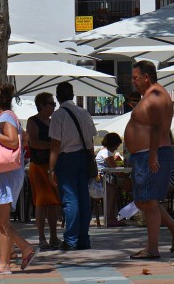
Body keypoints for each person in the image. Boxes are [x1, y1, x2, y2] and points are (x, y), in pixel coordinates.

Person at [124, 60, 174, 259]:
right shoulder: (151, 96)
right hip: (146, 154)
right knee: (143, 200)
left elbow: (157, 127)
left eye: (135, 78)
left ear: (146, 77)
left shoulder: (156, 97)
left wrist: (152, 155)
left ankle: (152, 248)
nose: (133, 82)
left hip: (151, 153)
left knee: (148, 201)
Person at [0, 84, 38, 275]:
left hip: (6, 174)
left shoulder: (5, 117)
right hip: (2, 174)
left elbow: (13, 141)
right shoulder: (7, 117)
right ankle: (24, 247)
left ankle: (4, 263)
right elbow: (23, 138)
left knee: (2, 220)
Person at [48, 81, 97, 251]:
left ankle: (70, 240)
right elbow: (90, 142)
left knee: (70, 200)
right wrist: (91, 160)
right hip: (84, 157)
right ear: (73, 95)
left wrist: (51, 168)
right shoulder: (84, 113)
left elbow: (55, 144)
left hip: (66, 159)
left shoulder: (58, 115)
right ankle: (84, 239)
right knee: (83, 199)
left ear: (58, 97)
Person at [26, 92, 62, 250]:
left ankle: (54, 236)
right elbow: (33, 143)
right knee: (41, 203)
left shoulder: (53, 122)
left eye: (54, 104)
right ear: (41, 105)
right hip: (38, 166)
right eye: (51, 104)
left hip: (52, 166)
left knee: (54, 203)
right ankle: (41, 238)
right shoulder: (32, 121)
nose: (54, 106)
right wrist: (53, 146)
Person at [95, 132, 123, 227]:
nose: (117, 148)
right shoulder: (106, 153)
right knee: (113, 190)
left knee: (113, 188)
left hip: (100, 180)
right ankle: (110, 218)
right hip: (97, 182)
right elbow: (115, 169)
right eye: (116, 146)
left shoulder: (104, 151)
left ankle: (112, 217)